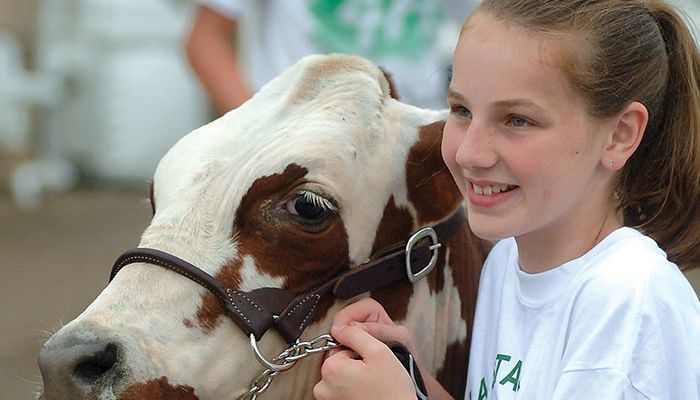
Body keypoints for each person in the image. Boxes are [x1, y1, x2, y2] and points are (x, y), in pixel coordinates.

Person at [312, 0, 700, 399]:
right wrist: (407, 375)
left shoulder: (629, 299)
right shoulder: (505, 261)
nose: (469, 154)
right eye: (461, 110)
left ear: (620, 134)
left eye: (517, 120)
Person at [184, 0, 478, 116]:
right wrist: (261, 125)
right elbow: (206, 41)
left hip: (417, 133)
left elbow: (488, 28)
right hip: (303, 136)